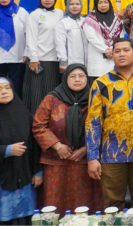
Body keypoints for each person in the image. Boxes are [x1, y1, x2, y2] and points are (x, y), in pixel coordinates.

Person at [85, 38, 133, 212]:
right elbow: (93, 122)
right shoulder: (101, 83)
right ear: (112, 55)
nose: (122, 54)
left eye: (126, 50)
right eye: (117, 51)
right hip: (111, 153)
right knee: (112, 204)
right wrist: (92, 157)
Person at [32, 64, 103, 212]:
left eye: (81, 76)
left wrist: (87, 149)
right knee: (56, 202)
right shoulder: (51, 99)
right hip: (56, 162)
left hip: (85, 161)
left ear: (87, 78)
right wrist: (58, 146)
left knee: (85, 203)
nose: (77, 80)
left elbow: (105, 126)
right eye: (72, 76)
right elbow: (38, 126)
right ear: (65, 79)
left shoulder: (95, 99)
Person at [0, 77, 42, 226]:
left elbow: (34, 145)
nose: (4, 91)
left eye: (7, 87)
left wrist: (37, 171)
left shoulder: (23, 114)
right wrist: (6, 150)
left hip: (23, 177)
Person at [23, 0, 64, 114]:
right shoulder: (35, 14)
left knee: (52, 94)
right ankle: (36, 124)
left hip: (55, 60)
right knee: (37, 95)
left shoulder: (60, 13)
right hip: (39, 61)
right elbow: (31, 37)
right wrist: (34, 59)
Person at [81, 0, 123, 84]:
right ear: (96, 5)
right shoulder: (90, 20)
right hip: (97, 60)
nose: (103, 5)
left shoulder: (117, 19)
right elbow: (92, 38)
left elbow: (121, 37)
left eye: (105, 2)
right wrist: (106, 50)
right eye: (100, 3)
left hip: (113, 59)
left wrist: (113, 49)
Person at [55, 0, 88, 71]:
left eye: (77, 4)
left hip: (87, 63)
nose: (74, 6)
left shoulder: (86, 21)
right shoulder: (63, 23)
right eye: (71, 4)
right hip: (71, 62)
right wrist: (63, 61)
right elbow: (60, 43)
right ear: (67, 6)